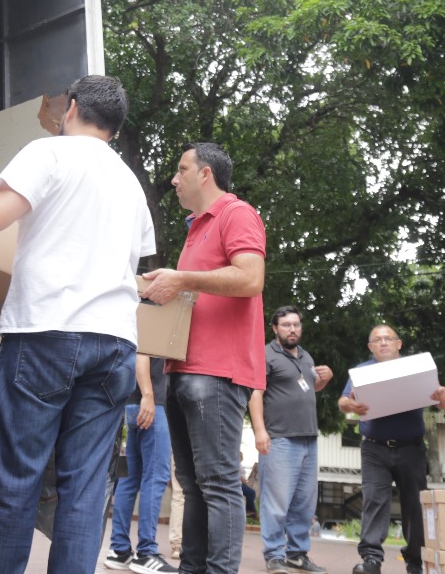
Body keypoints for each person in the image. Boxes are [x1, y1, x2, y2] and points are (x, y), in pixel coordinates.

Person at [0, 74, 155, 574]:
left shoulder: (51, 153)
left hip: (46, 334)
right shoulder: (130, 184)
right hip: (115, 346)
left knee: (18, 481)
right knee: (83, 492)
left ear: (74, 107)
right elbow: (135, 269)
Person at [140, 142, 267, 574]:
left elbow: (250, 277)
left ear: (206, 174)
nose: (174, 180)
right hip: (181, 370)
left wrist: (181, 279)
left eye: (181, 170)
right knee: (193, 486)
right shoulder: (196, 229)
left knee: (217, 484)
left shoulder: (237, 213)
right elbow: (191, 294)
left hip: (216, 372)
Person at [338, 324, 445, 574]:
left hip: (411, 449)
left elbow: (443, 403)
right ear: (371, 347)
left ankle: (415, 561)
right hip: (374, 449)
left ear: (399, 344)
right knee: (374, 501)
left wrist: (443, 397)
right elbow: (343, 401)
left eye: (389, 338)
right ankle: (371, 560)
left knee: (414, 505)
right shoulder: (362, 372)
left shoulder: (416, 368)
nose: (384, 342)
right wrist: (350, 405)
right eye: (377, 340)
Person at [248, 305, 333, 574]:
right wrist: (259, 431)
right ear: (275, 328)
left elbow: (308, 388)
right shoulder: (265, 354)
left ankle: (297, 554)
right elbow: (255, 393)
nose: (292, 329)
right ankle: (274, 555)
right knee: (276, 502)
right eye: (286, 325)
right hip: (279, 438)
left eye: (296, 324)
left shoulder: (306, 357)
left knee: (304, 503)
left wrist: (325, 380)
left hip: (308, 437)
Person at [105, 354, 178, 573]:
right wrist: (148, 395)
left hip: (134, 404)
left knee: (129, 479)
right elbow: (142, 352)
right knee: (155, 478)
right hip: (151, 405)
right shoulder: (156, 319)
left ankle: (119, 551)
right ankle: (146, 552)